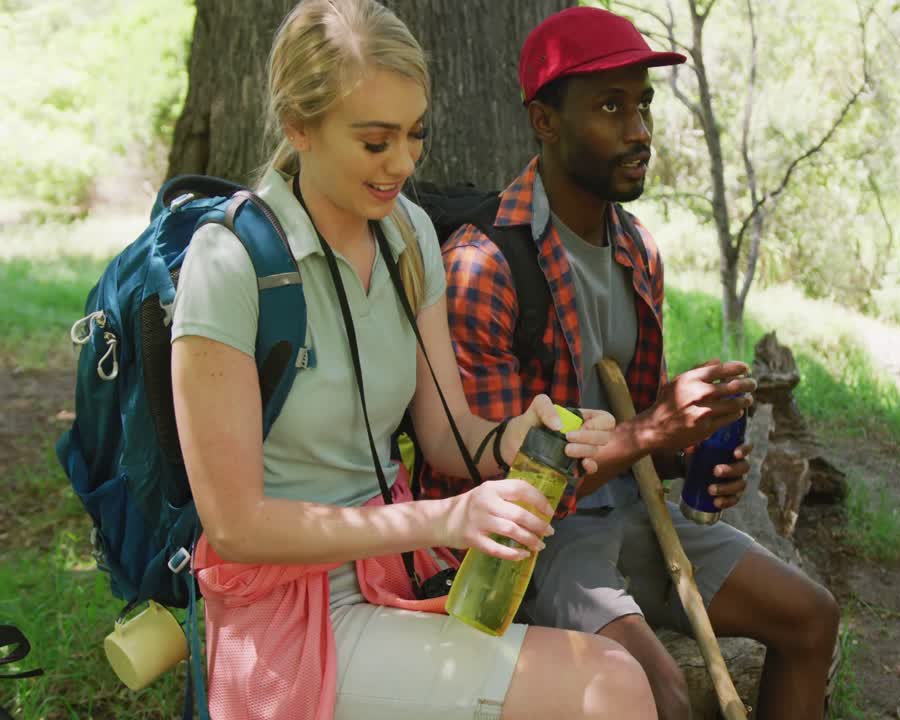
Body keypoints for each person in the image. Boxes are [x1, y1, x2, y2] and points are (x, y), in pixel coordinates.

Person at [169, 2, 658, 719]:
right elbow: (236, 527)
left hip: (393, 576)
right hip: (283, 614)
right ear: (299, 127)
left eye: (415, 134)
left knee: (610, 677)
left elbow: (447, 436)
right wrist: (442, 521)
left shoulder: (407, 234)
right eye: (376, 141)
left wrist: (520, 436)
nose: (402, 163)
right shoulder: (229, 262)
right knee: (609, 686)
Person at [430, 7, 841, 719]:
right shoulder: (482, 264)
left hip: (636, 515)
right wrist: (652, 430)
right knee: (659, 692)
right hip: (540, 546)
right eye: (611, 107)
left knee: (811, 617)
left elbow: (640, 435)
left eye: (644, 105)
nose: (639, 131)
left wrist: (688, 449)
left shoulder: (636, 249)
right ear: (544, 121)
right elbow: (504, 489)